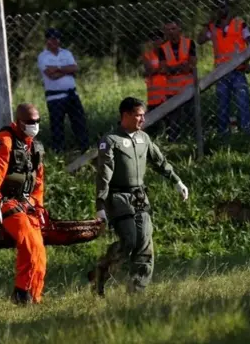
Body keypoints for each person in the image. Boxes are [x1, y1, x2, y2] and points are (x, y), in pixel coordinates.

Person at [89, 97, 189, 297]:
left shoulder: (144, 138)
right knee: (130, 241)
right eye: (138, 115)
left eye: (143, 115)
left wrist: (177, 181)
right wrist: (100, 204)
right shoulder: (111, 141)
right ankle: (102, 271)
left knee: (145, 243)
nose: (143, 119)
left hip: (140, 197)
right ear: (125, 115)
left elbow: (159, 161)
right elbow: (104, 174)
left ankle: (136, 291)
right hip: (118, 198)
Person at [0, 103, 47, 305]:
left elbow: (38, 181)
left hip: (27, 202)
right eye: (30, 122)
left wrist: (38, 206)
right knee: (31, 246)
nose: (34, 125)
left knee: (39, 252)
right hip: (6, 202)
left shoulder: (34, 145)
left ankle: (35, 296)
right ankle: (21, 293)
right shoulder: (3, 142)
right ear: (19, 122)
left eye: (37, 121)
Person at [198, 0, 250, 135]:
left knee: (243, 104)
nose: (220, 10)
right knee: (222, 106)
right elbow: (200, 40)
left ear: (229, 8)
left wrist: (247, 62)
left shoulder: (240, 24)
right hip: (221, 73)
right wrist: (208, 24)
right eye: (217, 7)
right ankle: (223, 135)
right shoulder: (213, 28)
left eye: (223, 7)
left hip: (238, 71)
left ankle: (247, 133)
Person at [37, 28, 90, 154]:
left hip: (72, 94)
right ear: (47, 40)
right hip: (55, 98)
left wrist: (58, 69)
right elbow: (51, 75)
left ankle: (85, 149)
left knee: (79, 122)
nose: (56, 41)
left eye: (57, 38)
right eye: (53, 38)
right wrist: (67, 71)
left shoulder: (66, 53)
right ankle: (59, 152)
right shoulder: (43, 56)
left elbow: (75, 68)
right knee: (57, 126)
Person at [158, 20, 198, 141]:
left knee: (192, 117)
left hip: (188, 88)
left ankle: (194, 139)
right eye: (168, 30)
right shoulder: (162, 49)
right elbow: (163, 69)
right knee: (173, 120)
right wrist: (181, 66)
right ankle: (174, 142)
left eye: (173, 29)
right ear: (164, 32)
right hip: (172, 90)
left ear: (179, 29)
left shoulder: (190, 43)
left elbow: (192, 64)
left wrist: (173, 68)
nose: (171, 32)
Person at [141, 29, 167, 137]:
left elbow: (165, 69)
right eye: (153, 39)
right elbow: (149, 70)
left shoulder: (167, 53)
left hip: (167, 93)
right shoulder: (148, 55)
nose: (155, 42)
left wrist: (158, 69)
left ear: (162, 40)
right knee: (152, 123)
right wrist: (161, 69)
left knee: (168, 120)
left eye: (158, 39)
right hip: (153, 97)